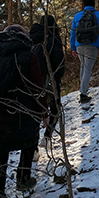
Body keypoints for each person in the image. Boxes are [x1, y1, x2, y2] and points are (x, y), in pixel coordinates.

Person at [0, 25, 47, 198]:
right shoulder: (28, 56)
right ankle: (23, 180)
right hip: (22, 111)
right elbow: (37, 87)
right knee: (28, 142)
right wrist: (44, 111)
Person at [29, 14, 65, 145]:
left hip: (33, 80)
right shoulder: (53, 38)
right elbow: (59, 59)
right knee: (55, 108)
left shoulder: (31, 38)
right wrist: (59, 75)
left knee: (35, 111)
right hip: (50, 78)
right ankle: (47, 137)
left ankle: (33, 147)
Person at [70, 0, 99, 104]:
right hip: (92, 45)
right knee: (87, 68)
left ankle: (83, 90)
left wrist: (73, 47)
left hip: (79, 45)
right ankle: (83, 94)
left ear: (84, 4)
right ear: (93, 4)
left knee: (83, 67)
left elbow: (73, 33)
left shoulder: (78, 16)